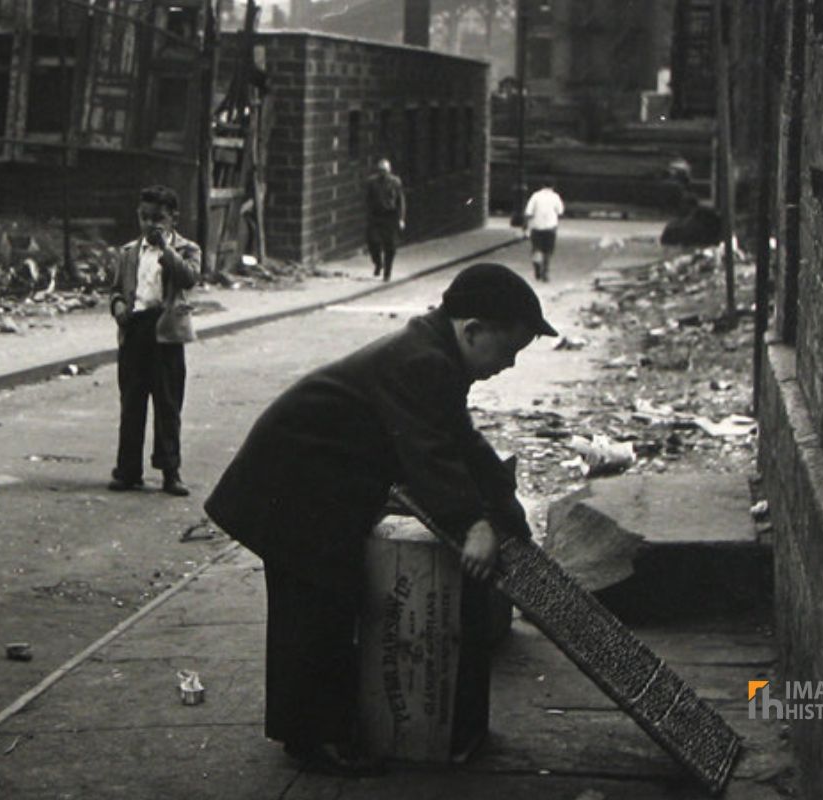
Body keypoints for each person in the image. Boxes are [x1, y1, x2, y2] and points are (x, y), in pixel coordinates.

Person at [203, 262, 558, 775]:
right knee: (316, 602)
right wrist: (474, 524)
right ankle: (314, 738)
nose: (509, 363)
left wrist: (504, 505)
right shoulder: (422, 361)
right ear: (474, 331)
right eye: (510, 350)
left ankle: (311, 728)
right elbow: (430, 453)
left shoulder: (435, 354)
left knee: (320, 599)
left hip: (315, 480)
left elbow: (461, 440)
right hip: (292, 482)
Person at [107, 185, 202, 497]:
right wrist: (118, 305)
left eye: (158, 218)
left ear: (173, 219)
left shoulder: (187, 249)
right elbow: (117, 289)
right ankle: (128, 469)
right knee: (132, 403)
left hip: (166, 332)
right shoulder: (128, 252)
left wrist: (166, 250)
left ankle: (170, 471)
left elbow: (189, 277)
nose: (150, 224)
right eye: (144, 218)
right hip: (135, 330)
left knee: (168, 405)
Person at [364, 158, 407, 281]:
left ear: (389, 171)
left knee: (390, 246)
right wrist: (369, 215)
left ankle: (387, 273)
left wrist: (401, 218)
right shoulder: (371, 182)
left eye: (385, 171)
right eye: (381, 171)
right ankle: (378, 263)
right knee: (373, 242)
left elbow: (401, 201)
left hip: (390, 216)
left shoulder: (395, 182)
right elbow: (368, 200)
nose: (383, 173)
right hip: (376, 216)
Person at [522, 181, 565, 282]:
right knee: (547, 252)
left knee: (537, 249)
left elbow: (528, 212)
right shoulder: (555, 197)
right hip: (550, 228)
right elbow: (560, 211)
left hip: (536, 227)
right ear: (553, 187)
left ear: (542, 186)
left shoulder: (535, 196)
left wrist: (525, 226)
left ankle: (537, 266)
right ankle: (545, 273)